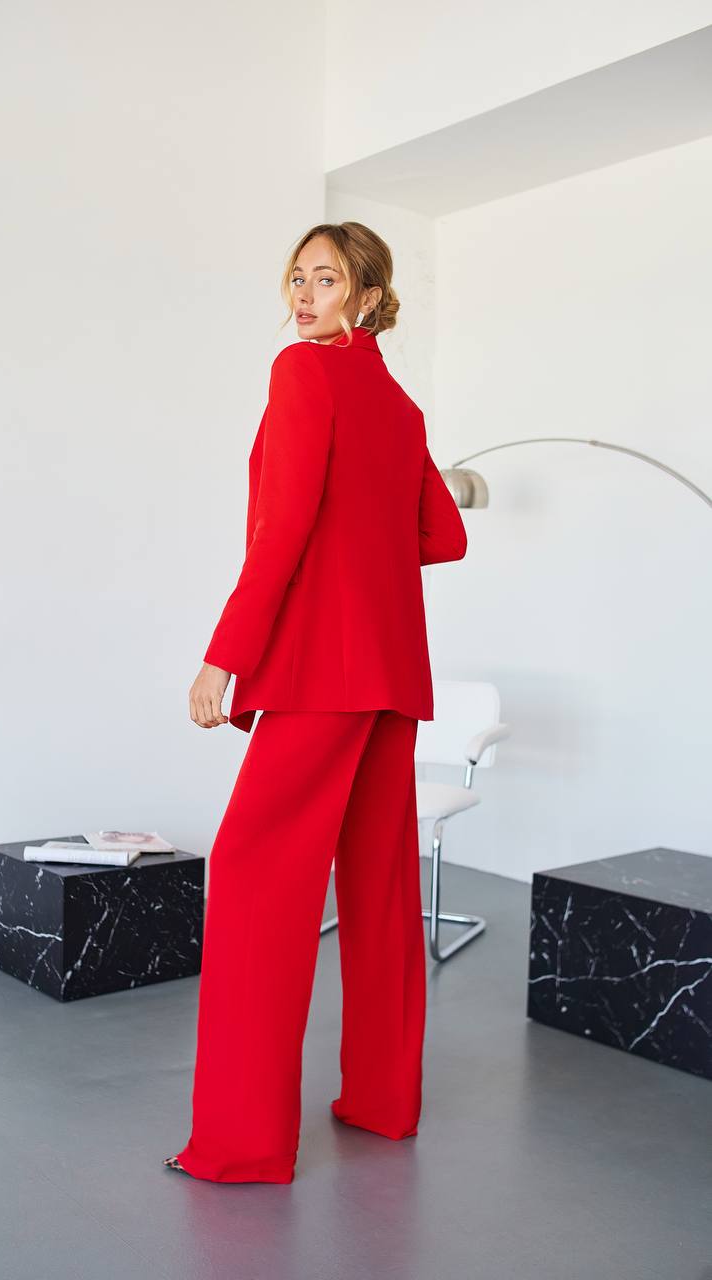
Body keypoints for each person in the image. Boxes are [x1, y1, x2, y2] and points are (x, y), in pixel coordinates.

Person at [164, 221, 468, 1183]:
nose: (303, 297)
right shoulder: (401, 405)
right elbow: (444, 535)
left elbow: (282, 530)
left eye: (325, 280)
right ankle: (382, 1104)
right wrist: (364, 547)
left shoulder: (303, 375)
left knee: (256, 885)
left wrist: (225, 658)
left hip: (317, 674)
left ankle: (242, 1145)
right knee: (377, 891)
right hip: (390, 677)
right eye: (295, 278)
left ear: (367, 297)